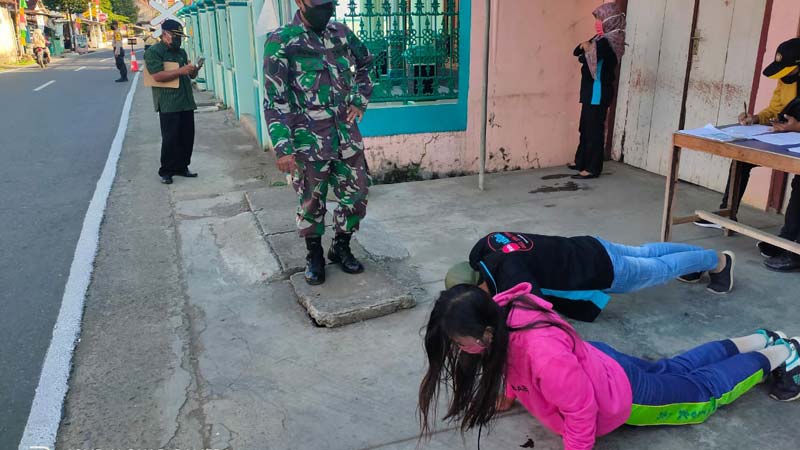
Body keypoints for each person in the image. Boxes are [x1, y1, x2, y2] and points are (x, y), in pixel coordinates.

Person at [418, 283, 800, 450]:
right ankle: (760, 337)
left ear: (485, 331)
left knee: (703, 393)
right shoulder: (504, 310)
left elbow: (581, 411)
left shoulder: (542, 357)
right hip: (601, 361)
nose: (458, 349)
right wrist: (508, 394)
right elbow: (507, 364)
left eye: (458, 343)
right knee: (676, 368)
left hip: (622, 396)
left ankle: (782, 354)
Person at [263, 0, 374, 285]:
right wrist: (283, 147)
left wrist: (359, 100)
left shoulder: (341, 33)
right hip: (307, 141)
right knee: (312, 201)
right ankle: (314, 255)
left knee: (357, 194)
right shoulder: (281, 41)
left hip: (346, 136)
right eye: (319, 3)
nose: (326, 8)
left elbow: (367, 64)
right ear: (300, 2)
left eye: (330, 3)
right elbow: (275, 100)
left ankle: (341, 246)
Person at [445, 231, 735, 323]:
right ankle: (701, 258)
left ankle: (718, 261)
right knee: (647, 252)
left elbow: (538, 309)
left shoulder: (512, 275)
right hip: (589, 245)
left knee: (661, 269)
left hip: (601, 270)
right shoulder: (487, 247)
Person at [693, 39, 800, 259]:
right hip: (784, 137)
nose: (783, 76)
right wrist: (756, 118)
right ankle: (727, 212)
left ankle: (788, 239)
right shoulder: (785, 79)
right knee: (741, 158)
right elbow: (775, 108)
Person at [568, 3, 626, 180]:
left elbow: (589, 56)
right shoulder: (600, 39)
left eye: (600, 20)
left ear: (610, 21)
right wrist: (585, 48)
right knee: (584, 127)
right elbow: (577, 51)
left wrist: (586, 49)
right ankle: (581, 161)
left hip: (597, 92)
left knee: (594, 129)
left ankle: (593, 168)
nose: (597, 23)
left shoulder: (610, 43)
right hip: (589, 91)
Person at [144, 19, 199, 185]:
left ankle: (182, 167)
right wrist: (181, 70)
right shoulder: (154, 52)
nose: (178, 39)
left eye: (180, 36)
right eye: (175, 36)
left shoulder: (181, 53)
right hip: (168, 103)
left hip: (186, 101)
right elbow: (157, 76)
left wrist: (193, 70)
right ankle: (166, 171)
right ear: (164, 34)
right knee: (170, 138)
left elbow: (190, 76)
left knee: (187, 137)